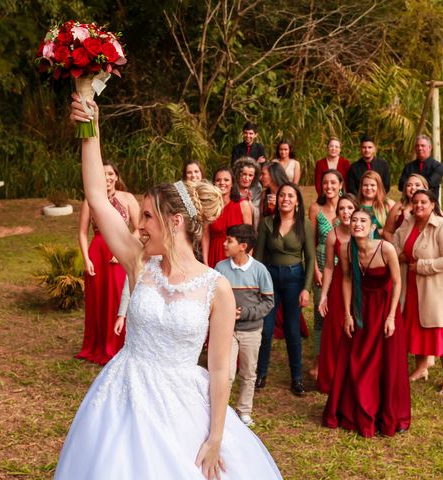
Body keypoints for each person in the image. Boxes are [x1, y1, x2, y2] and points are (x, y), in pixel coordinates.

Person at [56, 95, 283, 480]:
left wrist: (215, 437)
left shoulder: (217, 288)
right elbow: (96, 195)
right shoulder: (138, 261)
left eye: (147, 216)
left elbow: (219, 370)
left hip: (182, 406)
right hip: (123, 397)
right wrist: (90, 129)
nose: (139, 225)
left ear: (175, 221)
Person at [323, 208, 410, 437]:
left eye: (363, 221)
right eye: (354, 220)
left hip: (384, 308)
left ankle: (389, 414)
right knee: (356, 356)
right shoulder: (345, 249)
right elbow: (347, 278)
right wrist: (349, 314)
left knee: (386, 362)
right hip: (361, 309)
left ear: (373, 227)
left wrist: (392, 316)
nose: (357, 224)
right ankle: (352, 409)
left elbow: (397, 283)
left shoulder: (386, 248)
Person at [394, 190, 443, 394]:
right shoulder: (408, 222)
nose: (418, 206)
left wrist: (422, 266)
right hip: (412, 285)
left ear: (433, 204)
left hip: (438, 289)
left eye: (423, 202)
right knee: (415, 327)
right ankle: (421, 368)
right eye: (415, 202)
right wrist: (399, 255)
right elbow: (397, 243)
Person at [76, 161, 140, 365]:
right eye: (103, 174)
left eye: (111, 173)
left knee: (118, 296)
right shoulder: (91, 201)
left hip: (120, 251)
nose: (108, 178)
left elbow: (139, 228)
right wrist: (86, 258)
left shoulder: (128, 198)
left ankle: (120, 344)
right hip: (98, 251)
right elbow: (82, 232)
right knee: (98, 298)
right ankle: (97, 344)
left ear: (116, 176)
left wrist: (124, 247)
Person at [254, 182, 314, 395]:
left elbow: (310, 258)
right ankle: (260, 374)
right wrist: (257, 286)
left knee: (292, 329)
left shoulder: (304, 224)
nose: (285, 199)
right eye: (282, 196)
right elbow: (258, 258)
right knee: (266, 329)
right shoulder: (267, 223)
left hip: (294, 278)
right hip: (269, 278)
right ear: (277, 200)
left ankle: (296, 378)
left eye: (290, 196)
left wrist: (306, 289)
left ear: (297, 200)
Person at [215, 224, 274, 427]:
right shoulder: (220, 268)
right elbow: (213, 297)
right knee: (227, 373)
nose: (224, 243)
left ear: (243, 246)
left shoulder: (260, 271)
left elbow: (268, 301)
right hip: (227, 331)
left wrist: (246, 313)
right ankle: (222, 410)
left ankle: (244, 410)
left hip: (251, 331)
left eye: (229, 241)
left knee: (249, 372)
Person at [317, 194, 359, 394]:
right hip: (338, 286)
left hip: (360, 286)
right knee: (335, 331)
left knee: (357, 331)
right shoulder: (333, 235)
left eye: (350, 208)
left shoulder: (363, 231)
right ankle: (332, 379)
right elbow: (328, 267)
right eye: (342, 208)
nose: (346, 212)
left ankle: (355, 377)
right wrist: (324, 295)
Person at [308, 170, 343, 379]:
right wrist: (315, 270)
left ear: (340, 184)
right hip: (321, 263)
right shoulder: (315, 209)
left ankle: (339, 356)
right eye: (325, 183)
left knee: (339, 312)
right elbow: (310, 243)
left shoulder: (348, 206)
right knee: (321, 314)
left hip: (342, 266)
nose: (329, 186)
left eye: (333, 182)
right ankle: (318, 358)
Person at [203, 167, 253, 267]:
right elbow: (205, 236)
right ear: (214, 184)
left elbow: (249, 237)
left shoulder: (243, 205)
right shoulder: (209, 207)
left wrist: (247, 264)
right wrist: (205, 262)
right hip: (215, 255)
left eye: (226, 180)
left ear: (232, 183)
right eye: (218, 180)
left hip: (237, 258)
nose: (222, 183)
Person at [382, 173, 428, 242]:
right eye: (409, 185)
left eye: (417, 185)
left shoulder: (432, 205)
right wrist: (396, 248)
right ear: (405, 189)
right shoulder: (398, 206)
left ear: (425, 188)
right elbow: (387, 231)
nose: (413, 187)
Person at [357, 170, 394, 239]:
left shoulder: (388, 204)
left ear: (378, 187)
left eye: (372, 185)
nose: (368, 188)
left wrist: (374, 232)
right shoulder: (355, 205)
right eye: (365, 185)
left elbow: (394, 228)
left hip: (383, 245)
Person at [233, 157, 262, 229]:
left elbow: (257, 211)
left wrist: (249, 202)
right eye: (244, 174)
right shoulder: (231, 184)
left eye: (250, 175)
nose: (247, 178)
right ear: (237, 173)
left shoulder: (257, 187)